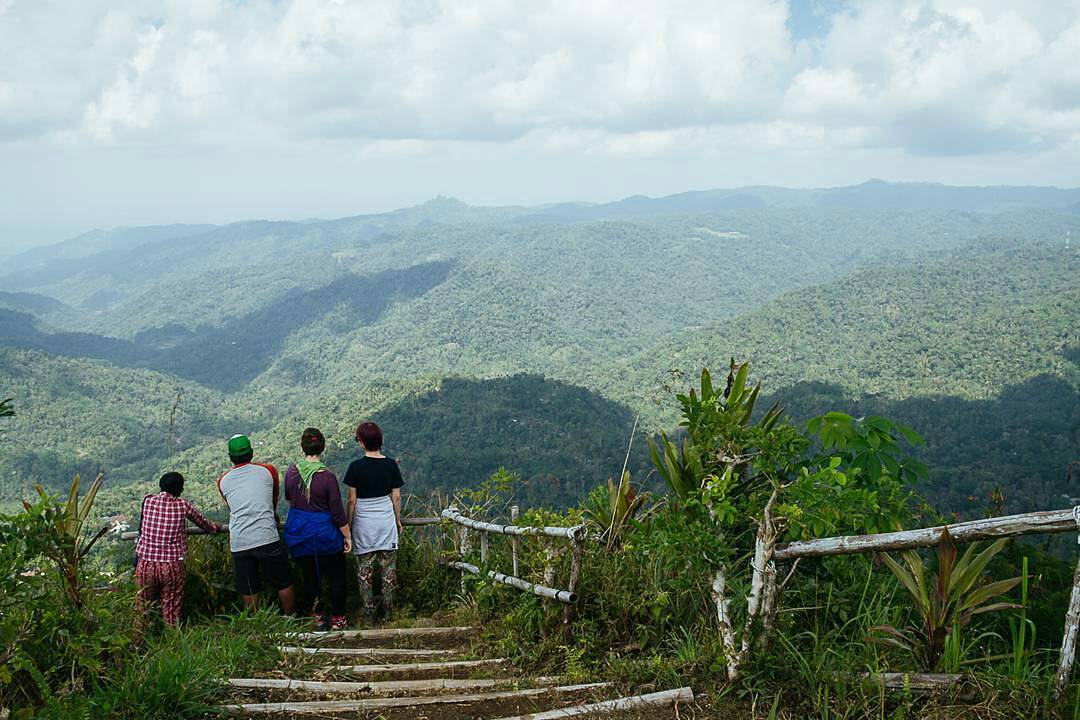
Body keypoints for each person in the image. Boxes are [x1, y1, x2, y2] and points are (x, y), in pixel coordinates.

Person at [217, 434, 296, 614]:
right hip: (266, 534)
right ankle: (291, 621)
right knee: (283, 581)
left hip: (240, 541)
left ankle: (256, 626)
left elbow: (232, 506)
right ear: (251, 453)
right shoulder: (269, 471)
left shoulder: (223, 480)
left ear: (230, 457)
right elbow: (272, 499)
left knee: (249, 587)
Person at [283, 427, 352, 631]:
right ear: (322, 447)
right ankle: (338, 619)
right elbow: (337, 512)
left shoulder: (292, 473)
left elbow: (288, 498)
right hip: (325, 536)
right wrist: (347, 537)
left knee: (310, 577)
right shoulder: (327, 477)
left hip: (300, 534)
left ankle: (318, 617)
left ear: (303, 447)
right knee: (337, 577)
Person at [135, 471, 223, 627]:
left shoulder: (147, 501)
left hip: (146, 564)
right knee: (171, 610)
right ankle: (173, 644)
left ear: (160, 485)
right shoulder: (183, 505)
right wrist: (215, 527)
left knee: (142, 608)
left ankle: (138, 644)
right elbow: (205, 524)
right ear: (180, 489)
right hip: (171, 566)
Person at [344, 421, 404, 623]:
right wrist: (397, 519)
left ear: (361, 442)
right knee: (389, 568)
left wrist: (349, 525)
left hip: (363, 521)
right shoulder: (390, 465)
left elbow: (351, 500)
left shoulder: (355, 468)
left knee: (365, 569)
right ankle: (389, 611)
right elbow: (396, 496)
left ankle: (368, 611)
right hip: (385, 519)